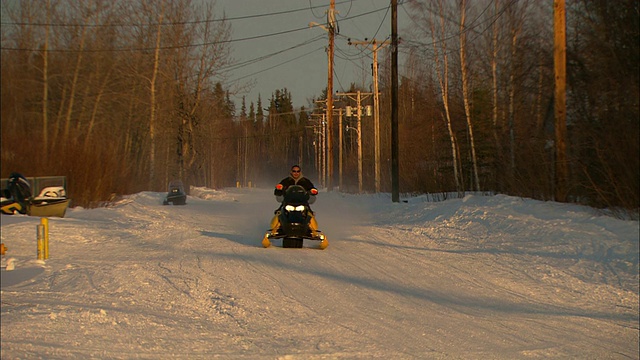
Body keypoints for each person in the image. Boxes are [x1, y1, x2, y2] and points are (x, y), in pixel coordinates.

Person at [269, 165, 320, 237]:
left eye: (298, 171)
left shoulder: (305, 181)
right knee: (280, 211)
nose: (296, 173)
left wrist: (313, 191)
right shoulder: (286, 181)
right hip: (288, 202)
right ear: (291, 172)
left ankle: (313, 230)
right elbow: (278, 191)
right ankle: (275, 228)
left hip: (302, 202)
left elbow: (312, 188)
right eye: (294, 171)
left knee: (309, 213)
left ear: (300, 172)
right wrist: (279, 189)